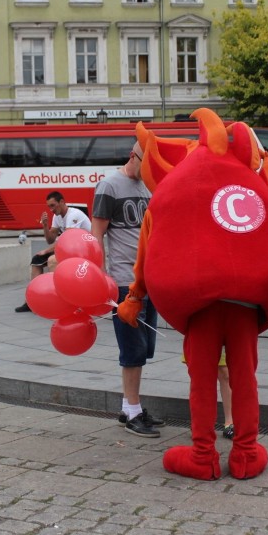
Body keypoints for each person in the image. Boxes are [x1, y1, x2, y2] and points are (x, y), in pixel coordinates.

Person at [91, 142, 165, 438]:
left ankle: (128, 407)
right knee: (132, 349)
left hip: (149, 279)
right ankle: (133, 410)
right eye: (145, 164)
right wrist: (100, 275)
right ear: (133, 157)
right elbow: (97, 232)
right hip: (124, 280)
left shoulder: (149, 188)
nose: (147, 172)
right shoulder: (109, 185)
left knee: (145, 348)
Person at [15, 191, 91, 312]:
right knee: (36, 260)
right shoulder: (57, 216)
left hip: (83, 250)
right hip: (68, 249)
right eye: (49, 206)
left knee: (52, 260)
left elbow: (67, 240)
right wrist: (45, 226)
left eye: (53, 205)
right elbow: (50, 239)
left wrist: (46, 251)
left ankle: (58, 299)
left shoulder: (74, 215)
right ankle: (31, 300)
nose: (51, 209)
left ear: (61, 202)